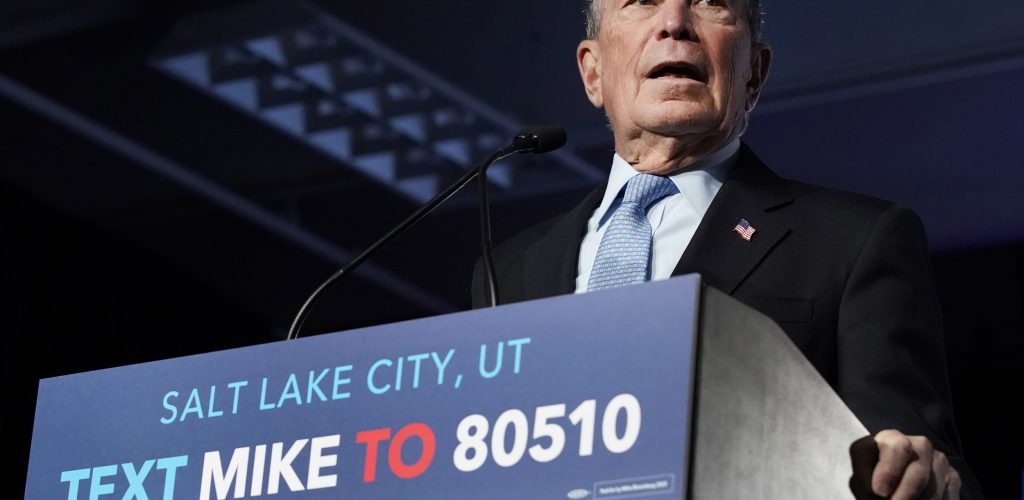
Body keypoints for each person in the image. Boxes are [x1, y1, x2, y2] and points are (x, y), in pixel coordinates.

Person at [472, 1, 982, 499]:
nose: (674, 23)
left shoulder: (855, 242)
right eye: (642, 2)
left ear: (754, 73)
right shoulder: (509, 269)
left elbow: (917, 463)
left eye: (710, 3)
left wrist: (924, 485)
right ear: (593, 73)